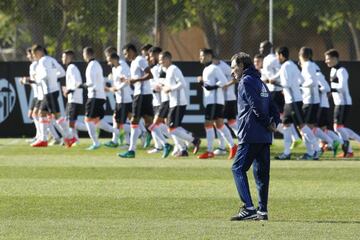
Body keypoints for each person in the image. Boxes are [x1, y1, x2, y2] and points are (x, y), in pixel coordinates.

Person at [230, 52, 280, 221]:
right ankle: (262, 211)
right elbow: (273, 107)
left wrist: (267, 123)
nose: (232, 72)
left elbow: (255, 106)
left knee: (237, 168)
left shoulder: (245, 81)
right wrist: (274, 124)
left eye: (234, 67)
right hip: (264, 137)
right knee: (261, 175)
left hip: (250, 134)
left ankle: (249, 208)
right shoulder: (260, 82)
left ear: (242, 66)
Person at [274, 46, 319, 160]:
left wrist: (276, 83)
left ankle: (317, 149)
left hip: (293, 101)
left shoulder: (286, 66)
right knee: (286, 126)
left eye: (277, 55)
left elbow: (288, 84)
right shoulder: (292, 65)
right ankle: (286, 153)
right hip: (291, 101)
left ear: (281, 55)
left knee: (302, 126)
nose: (276, 58)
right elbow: (301, 80)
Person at [197, 48, 237, 160]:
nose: (200, 58)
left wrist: (212, 86)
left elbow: (224, 81)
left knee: (208, 124)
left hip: (215, 102)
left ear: (209, 56)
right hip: (211, 101)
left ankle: (210, 151)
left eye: (202, 56)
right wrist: (203, 83)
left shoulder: (214, 68)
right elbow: (208, 85)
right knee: (219, 125)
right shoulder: (206, 69)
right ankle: (233, 146)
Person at [159, 51, 201, 157]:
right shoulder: (168, 70)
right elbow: (169, 86)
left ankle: (193, 140)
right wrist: (163, 86)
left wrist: (169, 88)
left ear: (168, 59)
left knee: (171, 128)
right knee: (172, 127)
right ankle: (184, 149)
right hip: (174, 102)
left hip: (178, 102)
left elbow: (183, 83)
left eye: (162, 59)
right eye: (160, 60)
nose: (160, 62)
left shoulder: (174, 69)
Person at [118, 43, 154, 158]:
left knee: (134, 121)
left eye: (126, 53)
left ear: (131, 51)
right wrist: (128, 80)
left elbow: (150, 74)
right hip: (141, 94)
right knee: (150, 122)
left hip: (142, 95)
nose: (125, 56)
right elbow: (136, 78)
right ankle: (168, 143)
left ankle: (131, 150)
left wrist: (136, 80)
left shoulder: (139, 60)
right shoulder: (134, 62)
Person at [82, 46, 119, 150]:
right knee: (96, 121)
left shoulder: (91, 65)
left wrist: (80, 85)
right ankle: (117, 132)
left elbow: (91, 83)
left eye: (84, 54)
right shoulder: (97, 64)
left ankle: (96, 143)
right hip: (100, 96)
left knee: (88, 120)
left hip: (94, 96)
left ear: (87, 54)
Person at [325, 49, 360, 158]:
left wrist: (330, 89)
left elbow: (342, 87)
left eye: (328, 59)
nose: (326, 61)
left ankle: (348, 150)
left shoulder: (342, 71)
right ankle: (348, 152)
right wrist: (330, 93)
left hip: (344, 102)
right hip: (338, 102)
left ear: (335, 59)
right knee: (339, 127)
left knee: (338, 127)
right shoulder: (332, 71)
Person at [31, 44, 68, 147]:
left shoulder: (42, 61)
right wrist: (53, 77)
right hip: (51, 91)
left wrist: (36, 78)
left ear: (39, 52)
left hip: (49, 91)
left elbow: (44, 76)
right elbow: (62, 72)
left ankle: (70, 137)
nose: (34, 57)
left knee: (57, 116)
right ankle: (43, 140)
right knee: (41, 113)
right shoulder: (51, 59)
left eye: (34, 54)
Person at [104, 52, 132, 148]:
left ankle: (139, 133)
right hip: (119, 99)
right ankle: (122, 142)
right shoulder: (114, 69)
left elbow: (127, 81)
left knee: (121, 123)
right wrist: (113, 88)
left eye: (108, 57)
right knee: (118, 121)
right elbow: (116, 84)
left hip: (125, 99)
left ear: (113, 58)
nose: (107, 60)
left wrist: (118, 88)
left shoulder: (122, 67)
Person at [61, 50, 87, 146]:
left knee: (70, 122)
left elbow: (78, 82)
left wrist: (70, 90)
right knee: (71, 121)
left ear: (69, 57)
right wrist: (68, 90)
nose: (62, 59)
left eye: (63, 57)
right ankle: (75, 140)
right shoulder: (70, 68)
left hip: (75, 98)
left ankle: (93, 128)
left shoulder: (72, 68)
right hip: (72, 98)